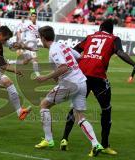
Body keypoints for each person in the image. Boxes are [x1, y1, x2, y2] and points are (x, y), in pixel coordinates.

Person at [61, 19, 135, 155]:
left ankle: (64, 139)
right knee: (106, 109)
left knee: (75, 108)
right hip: (98, 76)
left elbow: (74, 50)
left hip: (82, 75)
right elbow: (120, 53)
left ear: (100, 28)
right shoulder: (114, 38)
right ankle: (105, 145)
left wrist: (75, 65)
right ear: (112, 30)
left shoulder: (90, 37)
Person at [34, 26, 103, 157]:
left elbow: (64, 67)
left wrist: (45, 77)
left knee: (44, 105)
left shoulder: (53, 50)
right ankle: (95, 144)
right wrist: (58, 74)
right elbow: (79, 57)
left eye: (40, 38)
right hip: (82, 82)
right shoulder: (61, 45)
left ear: (43, 38)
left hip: (69, 84)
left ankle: (48, 140)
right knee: (80, 117)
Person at [8, 12, 40, 77]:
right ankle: (38, 75)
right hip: (28, 44)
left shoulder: (38, 26)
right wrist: (20, 40)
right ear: (30, 17)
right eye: (33, 16)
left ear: (36, 17)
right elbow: (19, 31)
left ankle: (11, 62)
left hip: (34, 44)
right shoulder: (28, 25)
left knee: (26, 62)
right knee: (35, 59)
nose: (34, 18)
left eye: (35, 16)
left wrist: (38, 36)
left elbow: (37, 35)